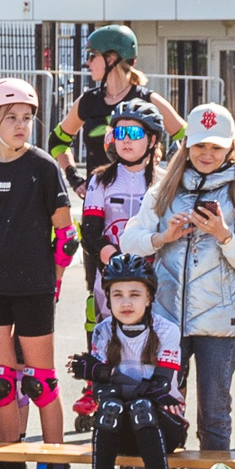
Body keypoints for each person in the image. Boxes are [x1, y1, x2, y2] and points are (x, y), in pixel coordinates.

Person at [118, 105, 235, 457]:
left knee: (214, 416)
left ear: (231, 148)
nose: (206, 154)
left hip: (221, 322)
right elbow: (128, 241)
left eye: (216, 147)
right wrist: (162, 237)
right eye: (199, 145)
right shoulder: (164, 187)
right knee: (156, 407)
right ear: (186, 146)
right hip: (167, 318)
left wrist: (223, 235)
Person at [0, 78, 76, 469]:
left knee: (41, 382)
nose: (21, 124)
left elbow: (66, 238)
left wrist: (53, 281)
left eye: (27, 117)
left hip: (33, 287)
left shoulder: (43, 167)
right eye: (11, 117)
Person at [65, 252, 186, 469]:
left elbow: (159, 387)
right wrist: (113, 382)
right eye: (117, 294)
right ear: (107, 298)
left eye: (135, 294)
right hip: (120, 427)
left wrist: (107, 373)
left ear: (149, 298)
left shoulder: (167, 331)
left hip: (164, 428)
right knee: (112, 407)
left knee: (141, 406)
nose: (126, 302)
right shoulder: (104, 331)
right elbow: (103, 395)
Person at [53, 24, 184, 180]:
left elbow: (189, 138)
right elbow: (57, 142)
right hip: (97, 193)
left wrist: (166, 161)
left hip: (141, 193)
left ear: (111, 59)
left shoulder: (148, 100)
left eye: (92, 55)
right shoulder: (87, 101)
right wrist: (74, 178)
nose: (87, 63)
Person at [78, 97, 163, 337]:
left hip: (155, 276)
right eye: (119, 132)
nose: (126, 139)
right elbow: (90, 234)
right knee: (109, 345)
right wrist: (116, 261)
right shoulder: (100, 180)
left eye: (134, 133)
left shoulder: (166, 181)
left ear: (152, 140)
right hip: (111, 276)